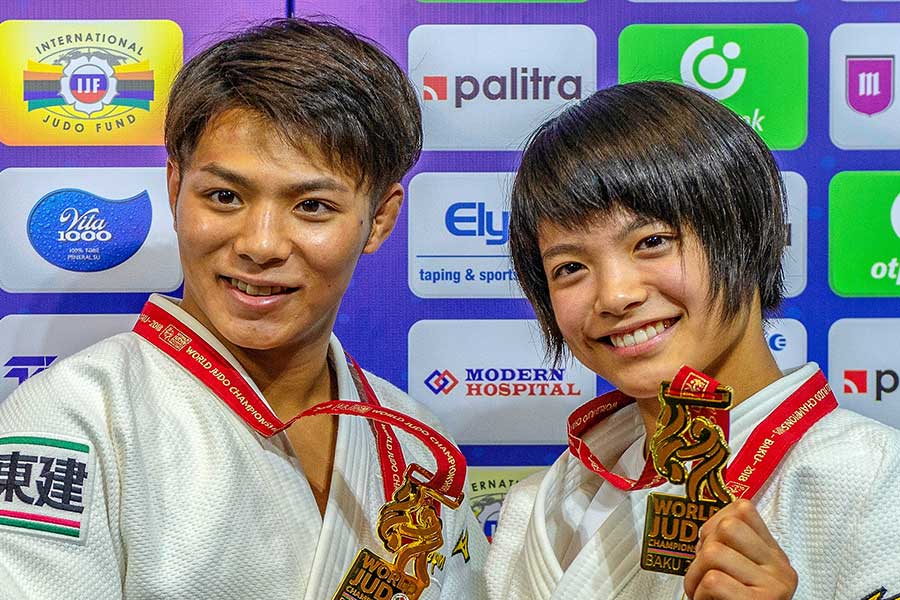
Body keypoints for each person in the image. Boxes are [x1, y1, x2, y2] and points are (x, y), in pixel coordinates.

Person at [0, 18, 486, 600]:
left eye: (311, 205)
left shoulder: (415, 441)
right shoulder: (76, 416)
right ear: (175, 187)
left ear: (380, 218)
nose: (260, 244)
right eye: (224, 196)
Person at [486, 81, 900, 599]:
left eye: (652, 242)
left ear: (746, 233)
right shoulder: (538, 509)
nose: (614, 295)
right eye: (570, 267)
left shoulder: (874, 477)